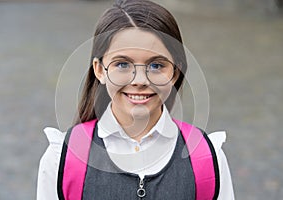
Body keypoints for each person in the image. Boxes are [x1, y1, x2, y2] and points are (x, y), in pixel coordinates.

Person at [37, 0, 235, 199]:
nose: (140, 80)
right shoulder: (60, 158)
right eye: (122, 64)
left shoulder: (208, 158)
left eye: (156, 66)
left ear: (175, 72)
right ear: (99, 70)